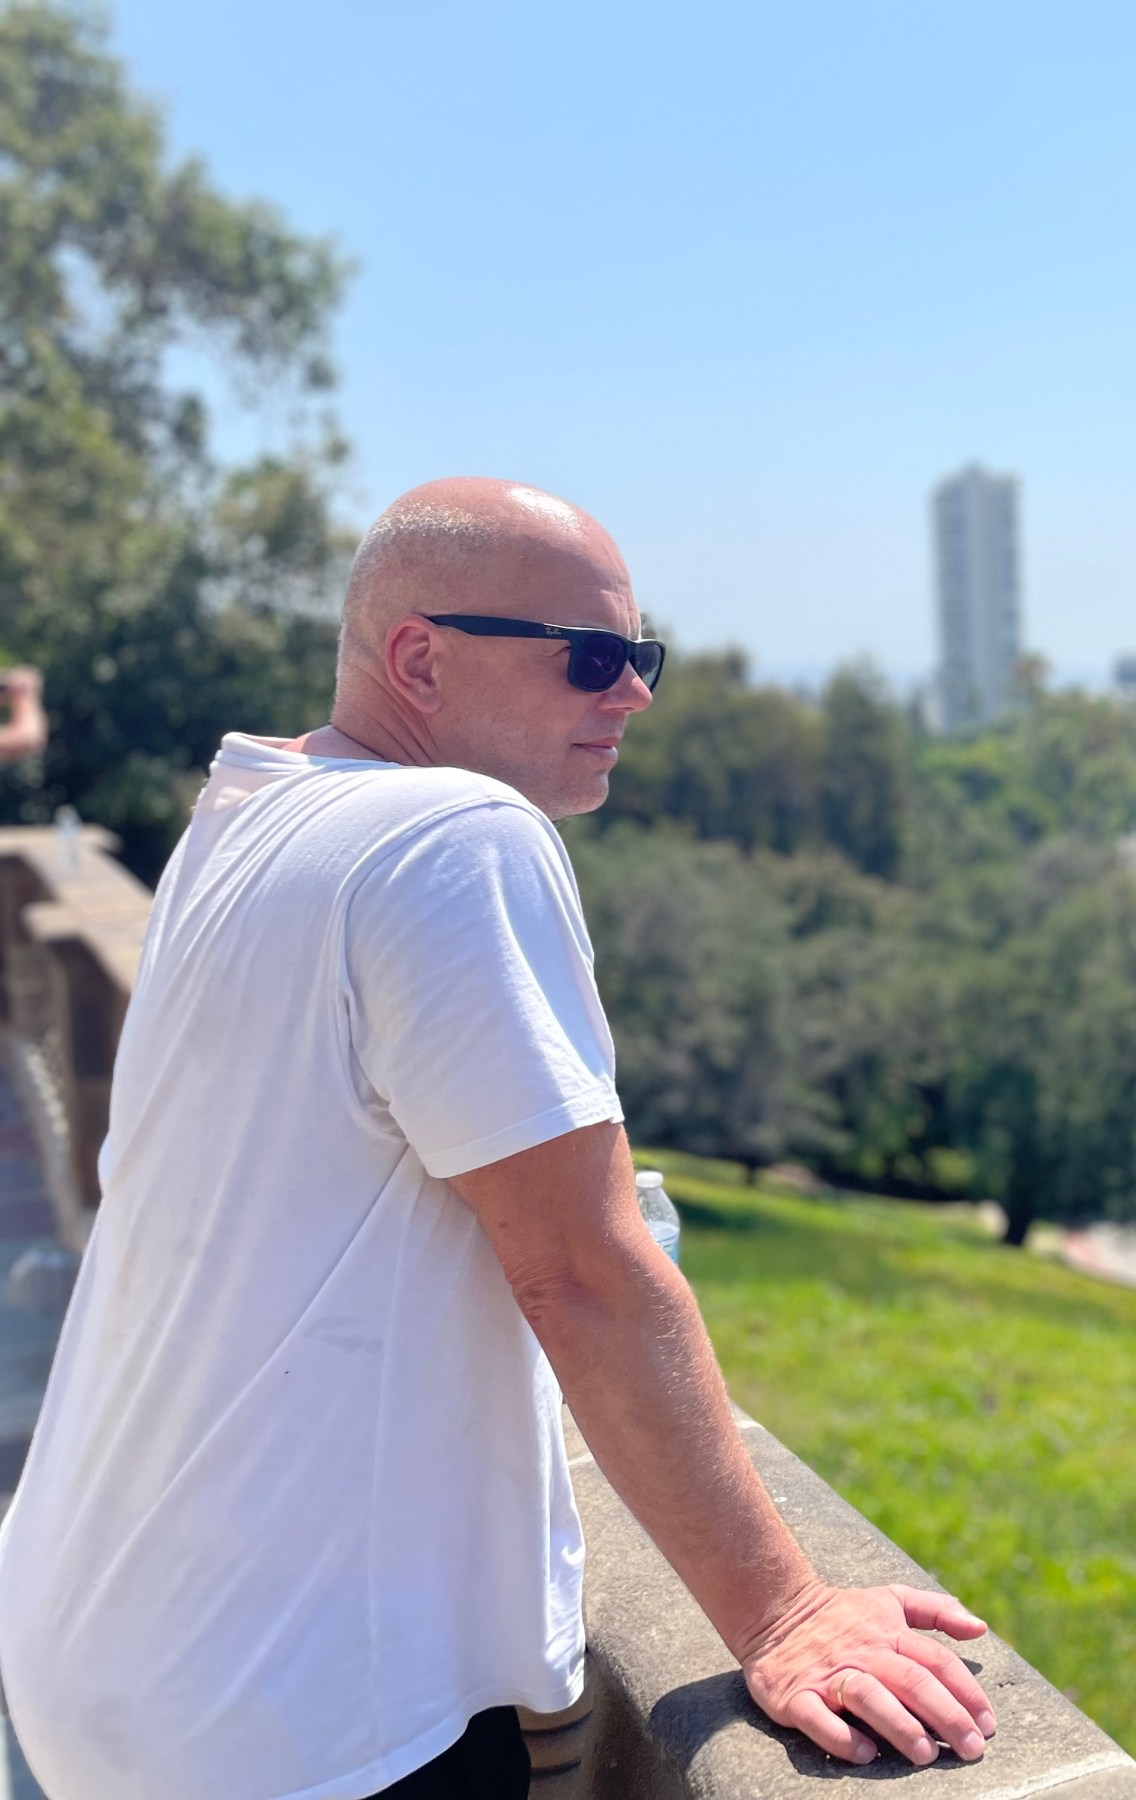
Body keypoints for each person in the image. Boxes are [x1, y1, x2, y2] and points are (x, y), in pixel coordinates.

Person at [0, 479, 995, 1800]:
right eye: (591, 660)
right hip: (296, 1727)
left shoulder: (249, 810)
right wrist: (784, 1612)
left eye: (641, 658)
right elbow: (582, 1270)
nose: (633, 695)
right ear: (422, 657)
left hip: (100, 1659)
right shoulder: (455, 836)